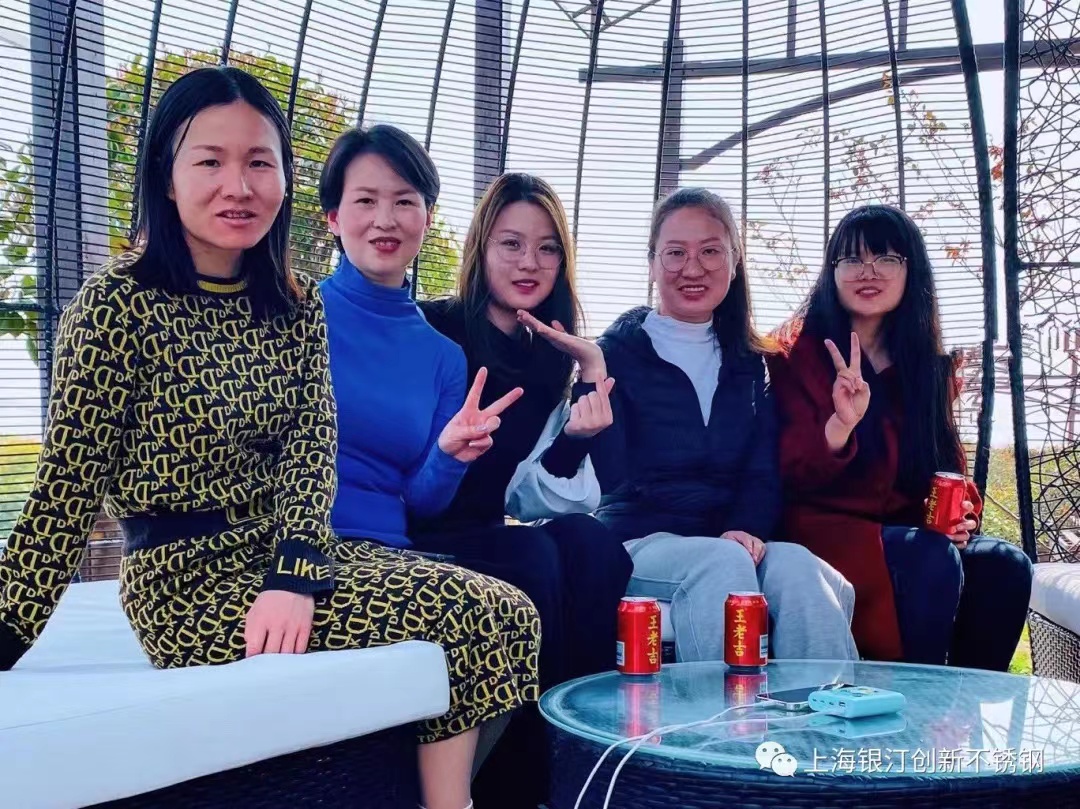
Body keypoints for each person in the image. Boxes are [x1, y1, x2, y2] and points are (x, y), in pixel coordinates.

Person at [0, 68, 538, 809]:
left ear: (285, 177)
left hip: (293, 554)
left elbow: (309, 457)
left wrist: (293, 574)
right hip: (186, 581)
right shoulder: (117, 306)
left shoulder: (293, 304)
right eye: (210, 161)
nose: (239, 186)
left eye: (260, 162)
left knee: (506, 611)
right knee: (473, 615)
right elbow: (65, 491)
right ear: (165, 174)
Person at [412, 173, 633, 809]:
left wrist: (591, 370)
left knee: (592, 544)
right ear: (481, 249)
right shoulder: (432, 326)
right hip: (415, 531)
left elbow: (534, 494)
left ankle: (586, 755)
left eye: (546, 247)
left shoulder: (549, 356)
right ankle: (521, 781)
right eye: (511, 244)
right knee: (532, 554)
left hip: (487, 529)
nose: (529, 262)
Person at [582, 187, 859, 664]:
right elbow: (607, 479)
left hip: (723, 538)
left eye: (710, 251)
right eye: (675, 253)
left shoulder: (751, 363)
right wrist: (587, 391)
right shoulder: (612, 355)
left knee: (797, 566)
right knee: (721, 562)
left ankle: (827, 707)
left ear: (734, 262)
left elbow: (762, 470)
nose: (693, 268)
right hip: (639, 539)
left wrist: (746, 527)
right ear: (652, 264)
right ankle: (724, 713)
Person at [768, 204, 1032, 670]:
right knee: (928, 558)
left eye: (887, 258)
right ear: (832, 272)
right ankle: (915, 701)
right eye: (852, 259)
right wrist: (840, 428)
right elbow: (785, 471)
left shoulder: (926, 368)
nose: (868, 272)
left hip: (909, 529)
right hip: (824, 531)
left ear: (912, 270)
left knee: (1004, 564)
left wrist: (959, 517)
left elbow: (947, 466)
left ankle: (962, 701)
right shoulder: (791, 356)